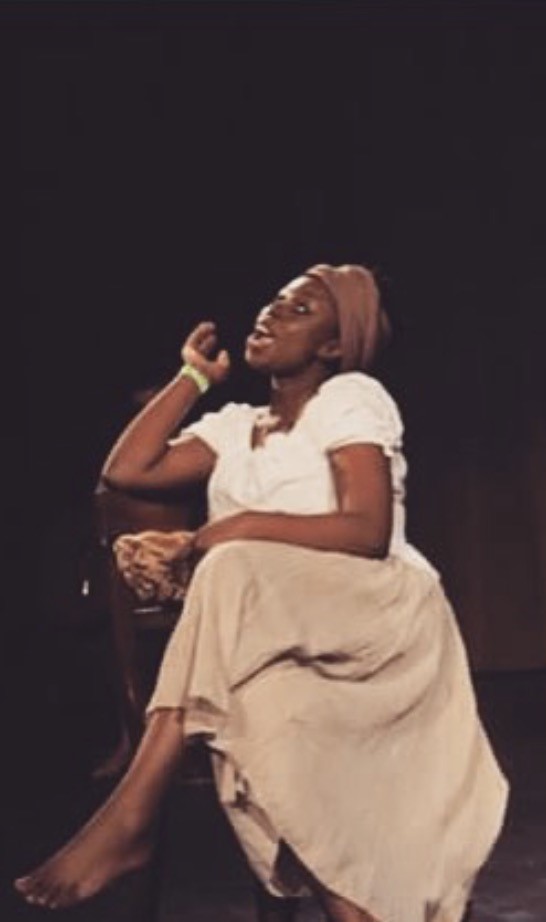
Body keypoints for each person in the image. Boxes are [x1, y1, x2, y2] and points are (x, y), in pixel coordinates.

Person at [15, 264, 509, 922]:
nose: (271, 314)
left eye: (300, 309)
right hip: (279, 642)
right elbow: (126, 471)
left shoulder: (350, 397)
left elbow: (367, 531)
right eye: (274, 301)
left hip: (375, 616)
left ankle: (134, 810)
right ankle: (354, 912)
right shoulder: (234, 428)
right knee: (257, 714)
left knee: (230, 565)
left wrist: (233, 528)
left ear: (333, 345)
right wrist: (192, 378)